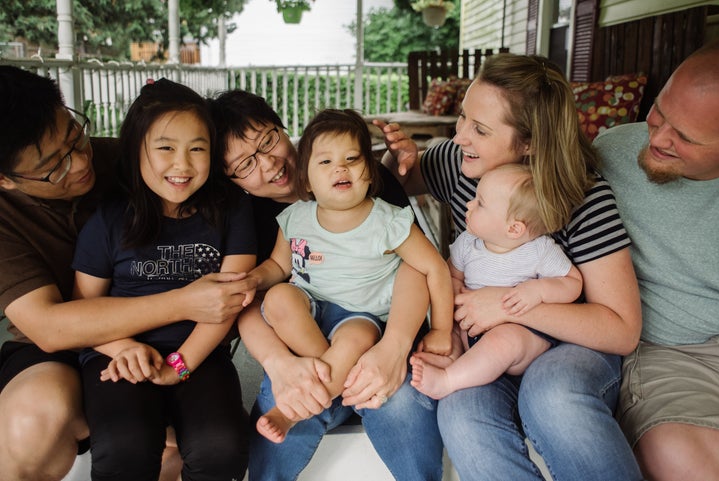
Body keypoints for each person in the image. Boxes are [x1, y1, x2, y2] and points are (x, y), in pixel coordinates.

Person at [381, 52, 644, 480]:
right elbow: (397, 182)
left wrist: (506, 306)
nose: (459, 136)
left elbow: (621, 329)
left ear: (530, 143)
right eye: (463, 118)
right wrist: (399, 157)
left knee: (551, 394)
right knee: (461, 411)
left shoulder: (583, 197)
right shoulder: (459, 162)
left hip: (572, 347)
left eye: (479, 129)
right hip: (486, 346)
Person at [0, 66, 251, 481]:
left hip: (180, 347)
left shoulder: (142, 155)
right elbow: (49, 327)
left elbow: (260, 179)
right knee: (40, 421)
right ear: (6, 180)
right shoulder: (15, 220)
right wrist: (182, 304)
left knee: (212, 439)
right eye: (55, 165)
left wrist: (385, 177)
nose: (81, 161)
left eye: (74, 136)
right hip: (63, 349)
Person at [209, 91, 447, 480]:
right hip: (310, 337)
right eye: (245, 163)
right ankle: (325, 383)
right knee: (282, 383)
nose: (268, 163)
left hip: (374, 326)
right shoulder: (258, 220)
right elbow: (256, 293)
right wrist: (280, 364)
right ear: (232, 180)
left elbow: (418, 268)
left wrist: (396, 345)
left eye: (268, 140)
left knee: (399, 402)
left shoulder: (363, 187)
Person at [73, 78, 255, 480]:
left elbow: (231, 297)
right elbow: (81, 310)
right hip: (117, 356)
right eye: (166, 148)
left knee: (221, 446)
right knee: (125, 446)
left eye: (198, 149)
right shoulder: (109, 218)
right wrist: (124, 348)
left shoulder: (231, 210)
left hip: (199, 353)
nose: (183, 165)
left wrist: (179, 365)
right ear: (137, 149)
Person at [594, 40, 719, 481]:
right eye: (660, 111)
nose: (658, 136)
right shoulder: (610, 151)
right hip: (670, 354)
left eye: (685, 137)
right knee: (678, 455)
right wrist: (408, 171)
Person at [410, 163, 583, 400]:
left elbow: (573, 282)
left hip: (521, 336)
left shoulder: (539, 250)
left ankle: (449, 379)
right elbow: (450, 275)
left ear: (513, 228)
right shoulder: (467, 243)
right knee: (452, 330)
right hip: (472, 325)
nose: (469, 204)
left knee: (503, 342)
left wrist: (538, 290)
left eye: (480, 203)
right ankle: (453, 358)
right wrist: (456, 289)